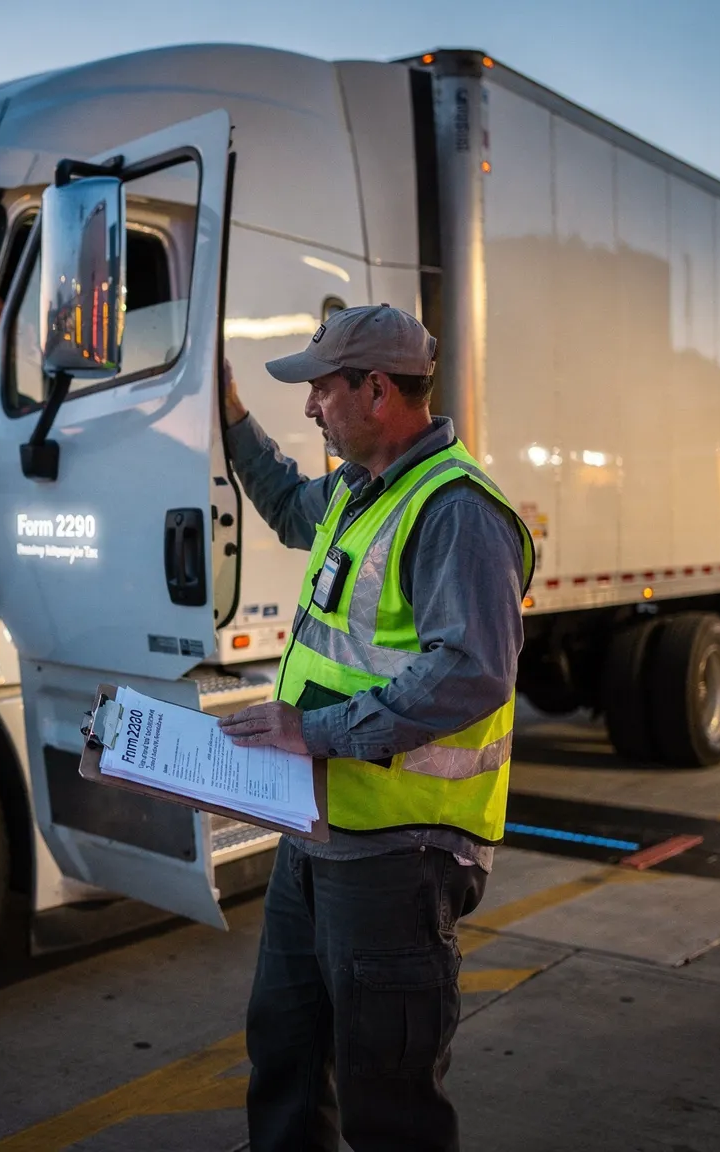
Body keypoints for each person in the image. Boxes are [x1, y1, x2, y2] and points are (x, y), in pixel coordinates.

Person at [215, 304, 534, 1152]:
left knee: (388, 1106)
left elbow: (470, 669)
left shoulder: (456, 511)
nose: (312, 408)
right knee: (283, 1057)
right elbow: (287, 504)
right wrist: (231, 414)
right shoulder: (359, 492)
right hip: (319, 833)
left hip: (398, 854)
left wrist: (313, 731)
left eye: (323, 390)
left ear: (379, 390)